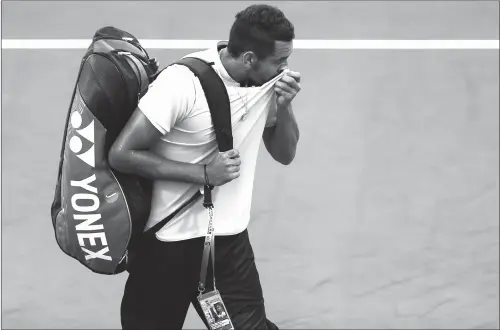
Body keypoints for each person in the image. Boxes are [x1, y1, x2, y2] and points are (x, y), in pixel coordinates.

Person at [108, 4, 301, 329]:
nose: (286, 68)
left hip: (228, 245)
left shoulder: (266, 85)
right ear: (250, 59)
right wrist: (203, 175)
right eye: (279, 61)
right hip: (167, 246)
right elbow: (122, 153)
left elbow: (285, 154)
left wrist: (285, 106)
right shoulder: (181, 84)